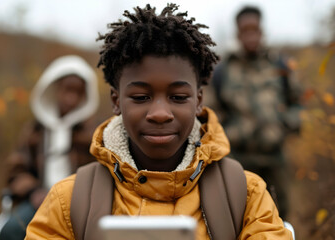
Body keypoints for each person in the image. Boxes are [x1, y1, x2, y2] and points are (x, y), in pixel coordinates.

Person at [25, 4, 293, 239]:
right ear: (116, 101)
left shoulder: (246, 195)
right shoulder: (69, 202)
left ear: (199, 100)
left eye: (178, 96)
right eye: (141, 97)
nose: (160, 113)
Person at [0, 55, 100, 240]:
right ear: (56, 89)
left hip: (80, 205)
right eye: (67, 90)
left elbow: (101, 173)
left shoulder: (93, 133)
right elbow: (16, 170)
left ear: (85, 95)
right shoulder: (36, 130)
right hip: (40, 201)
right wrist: (33, 191)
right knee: (9, 231)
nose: (71, 98)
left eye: (77, 92)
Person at [210, 6, 302, 219]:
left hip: (275, 157)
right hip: (239, 160)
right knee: (240, 217)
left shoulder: (280, 65)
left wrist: (287, 123)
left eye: (255, 29)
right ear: (238, 33)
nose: (251, 35)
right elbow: (213, 112)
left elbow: (297, 102)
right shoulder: (224, 70)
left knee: (280, 216)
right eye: (246, 30)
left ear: (261, 31)